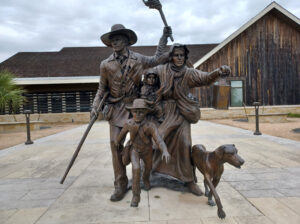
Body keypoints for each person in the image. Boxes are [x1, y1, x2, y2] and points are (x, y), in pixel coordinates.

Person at [90, 24, 172, 202]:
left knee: (144, 141)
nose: (115, 42)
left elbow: (157, 58)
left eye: (118, 39)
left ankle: (145, 173)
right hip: (116, 108)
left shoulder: (138, 59)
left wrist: (164, 37)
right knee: (114, 143)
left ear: (127, 41)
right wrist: (95, 106)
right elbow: (101, 89)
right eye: (112, 40)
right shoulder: (105, 64)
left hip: (136, 107)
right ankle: (120, 183)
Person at [152, 43, 231, 196]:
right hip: (163, 113)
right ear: (171, 57)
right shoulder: (161, 70)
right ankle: (150, 173)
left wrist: (218, 72)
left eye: (182, 55)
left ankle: (188, 181)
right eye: (176, 55)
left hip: (182, 113)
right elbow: (147, 76)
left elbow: (206, 78)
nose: (179, 58)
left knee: (184, 144)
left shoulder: (189, 73)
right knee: (156, 142)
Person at [115, 98, 170, 207]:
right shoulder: (129, 124)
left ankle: (146, 179)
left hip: (147, 151)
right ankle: (136, 196)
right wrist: (117, 142)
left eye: (141, 111)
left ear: (146, 112)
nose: (138, 114)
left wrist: (165, 150)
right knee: (136, 169)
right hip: (134, 150)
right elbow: (121, 136)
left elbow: (158, 139)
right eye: (135, 111)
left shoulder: (150, 126)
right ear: (131, 112)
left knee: (148, 168)